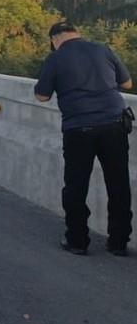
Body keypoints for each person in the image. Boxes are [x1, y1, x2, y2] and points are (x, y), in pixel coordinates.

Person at [34, 21, 132, 256]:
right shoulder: (103, 49)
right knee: (118, 184)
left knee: (76, 186)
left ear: (54, 40)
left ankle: (77, 241)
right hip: (114, 125)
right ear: (77, 34)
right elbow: (127, 83)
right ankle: (118, 243)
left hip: (79, 129)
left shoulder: (55, 59)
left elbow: (42, 96)